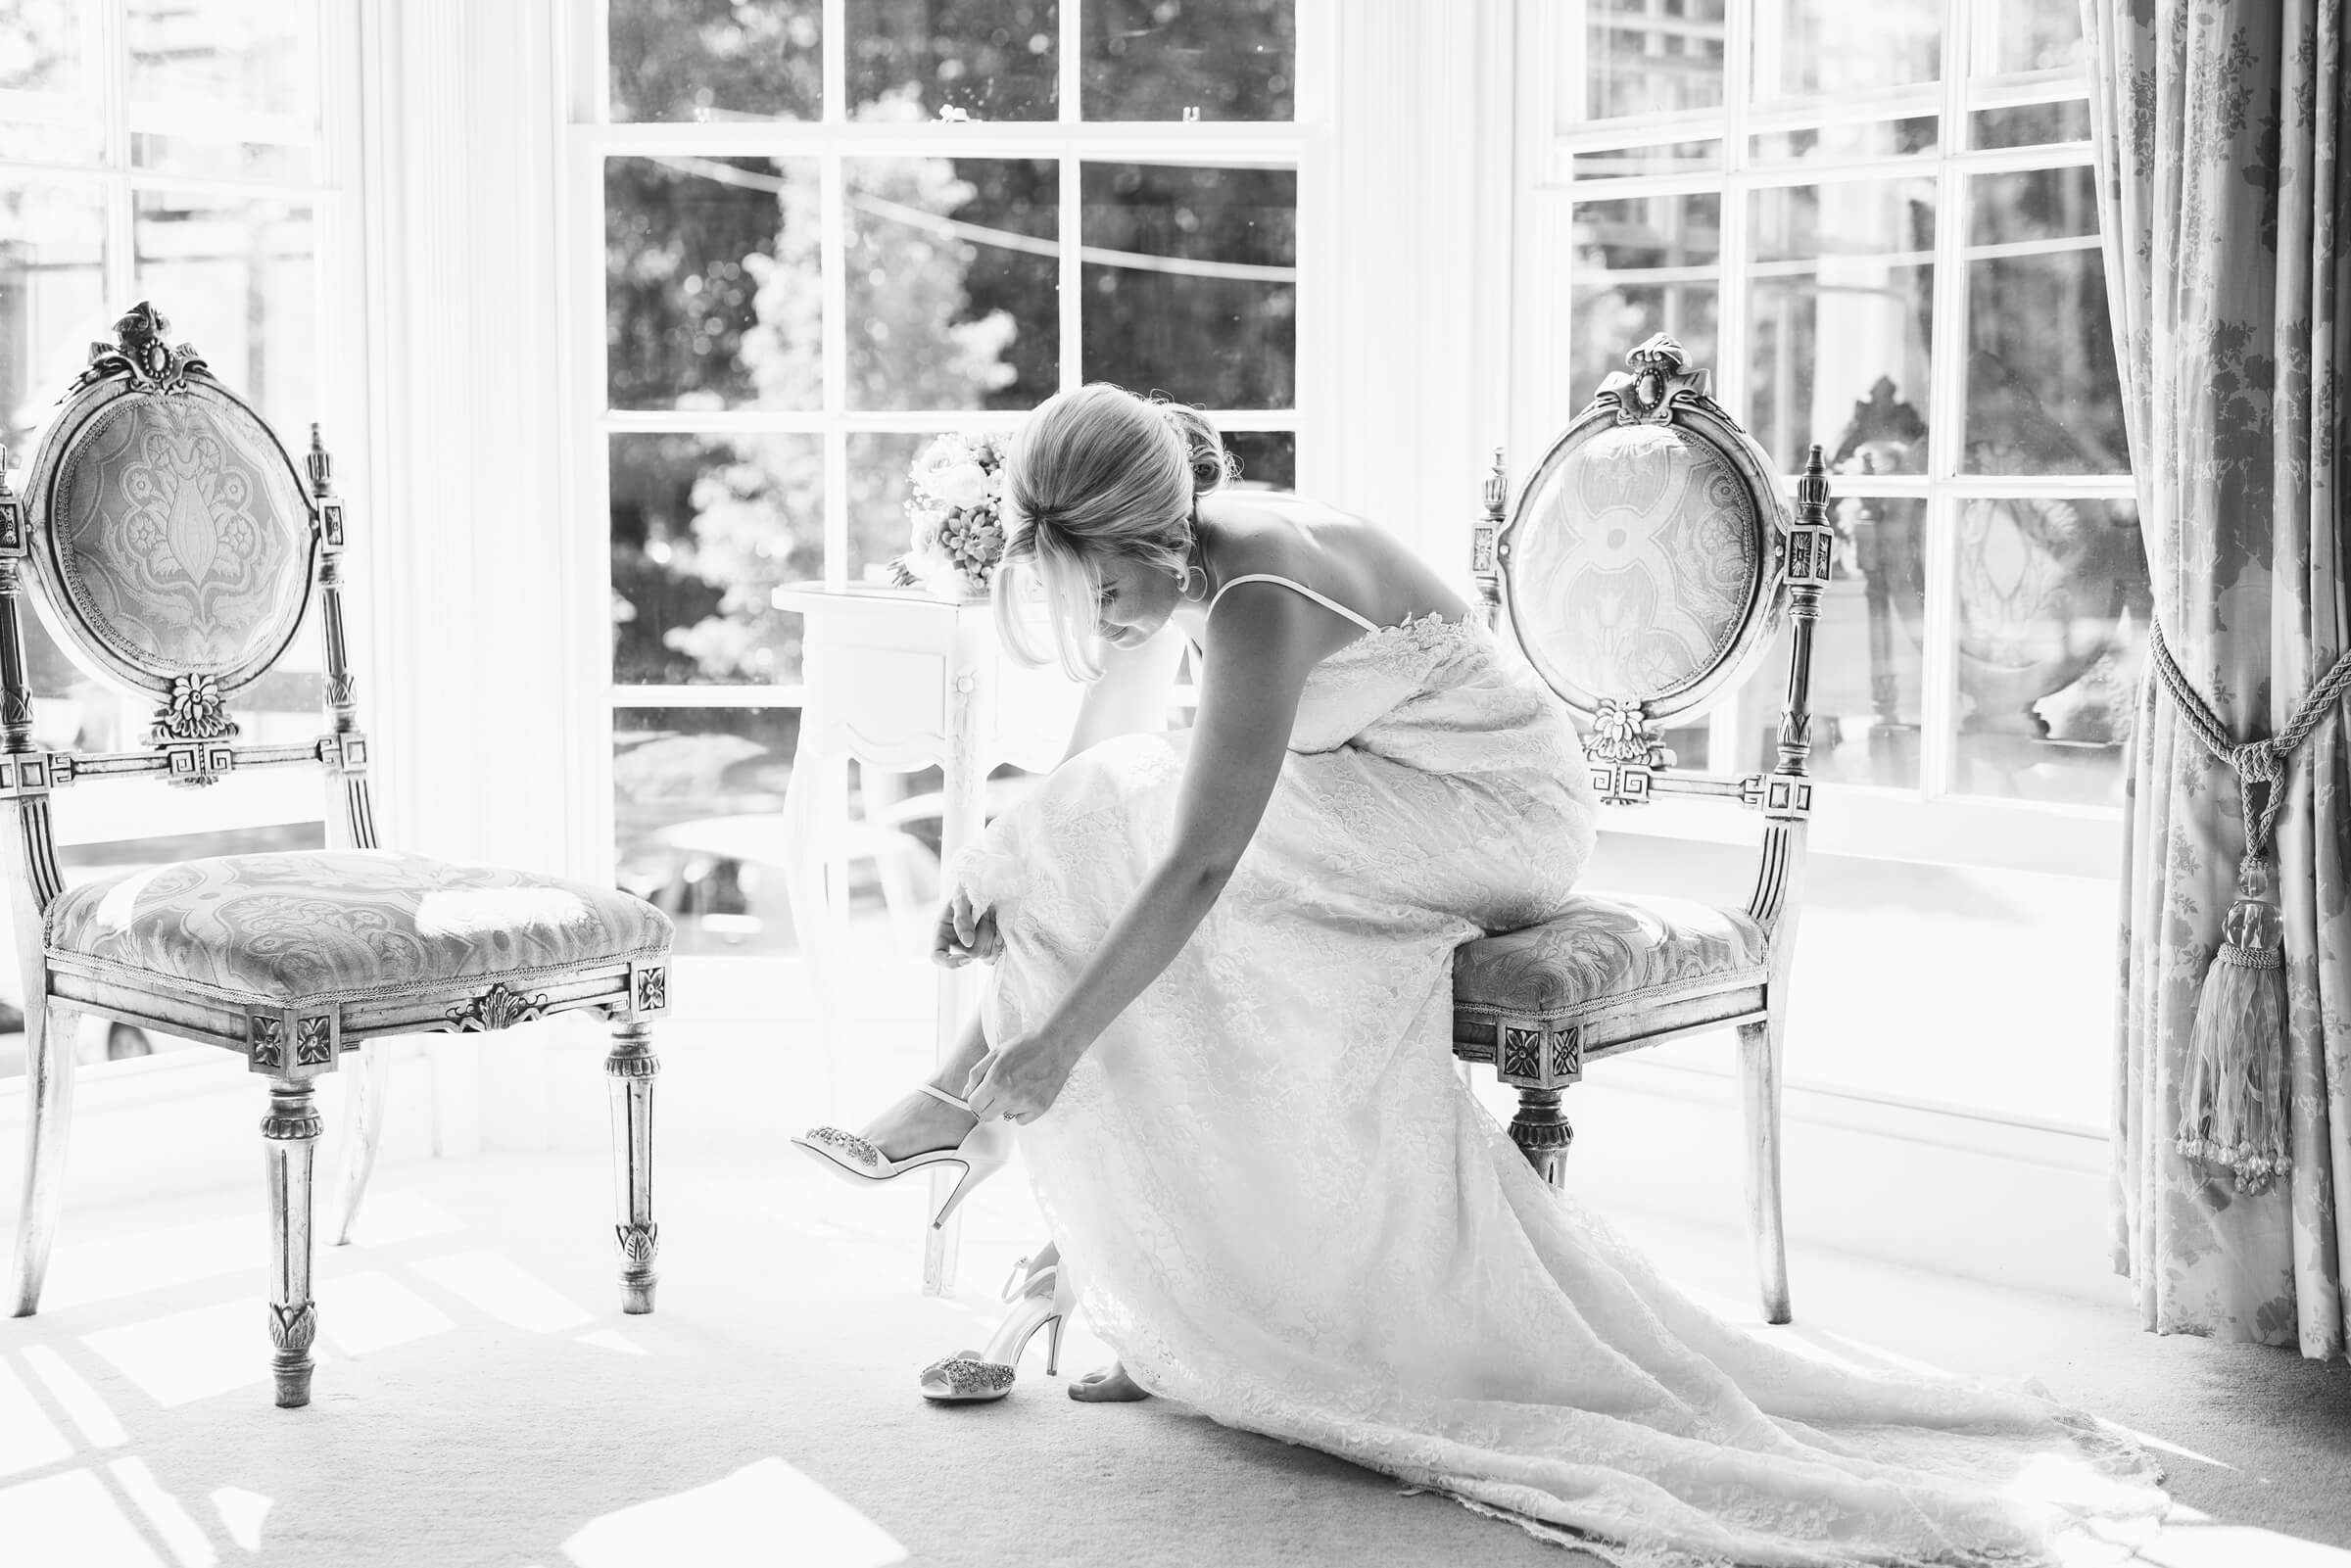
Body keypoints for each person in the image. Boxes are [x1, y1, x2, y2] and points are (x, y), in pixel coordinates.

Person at [794, 385, 2165, 1564]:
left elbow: (1202, 857)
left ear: (1155, 537)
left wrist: (1060, 1040)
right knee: (1091, 825)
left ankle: (994, 1119)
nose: (1101, 616)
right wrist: (1001, 866)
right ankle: (1027, 1167)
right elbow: (1107, 757)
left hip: (1497, 814)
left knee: (1182, 877)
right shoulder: (1193, 550)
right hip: (1382, 784)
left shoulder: (1257, 586)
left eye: (1104, 587)